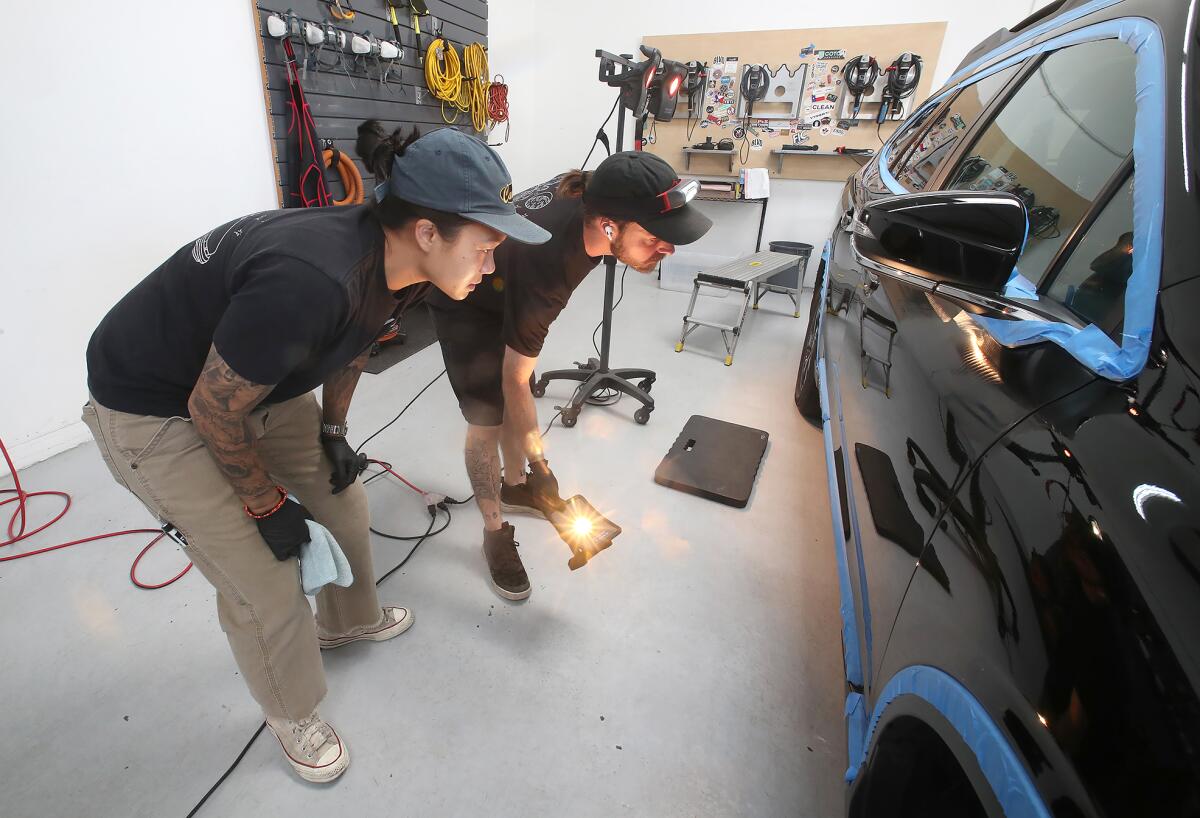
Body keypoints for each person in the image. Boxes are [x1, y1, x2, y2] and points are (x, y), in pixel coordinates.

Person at [81, 122, 550, 783]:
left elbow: (354, 341)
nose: (492, 264)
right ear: (426, 231)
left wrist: (333, 432)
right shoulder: (311, 279)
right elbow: (211, 409)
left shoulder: (404, 266)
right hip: (155, 407)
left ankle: (349, 622)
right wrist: (265, 502)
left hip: (253, 385)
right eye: (485, 245)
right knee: (263, 582)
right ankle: (291, 709)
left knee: (342, 499)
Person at [427, 151, 712, 601]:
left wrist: (534, 471)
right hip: (465, 294)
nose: (668, 248)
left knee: (512, 390)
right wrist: (544, 466)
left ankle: (518, 487)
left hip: (509, 278)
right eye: (657, 236)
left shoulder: (593, 195)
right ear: (610, 227)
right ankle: (494, 532)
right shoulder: (549, 267)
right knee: (487, 415)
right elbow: (516, 380)